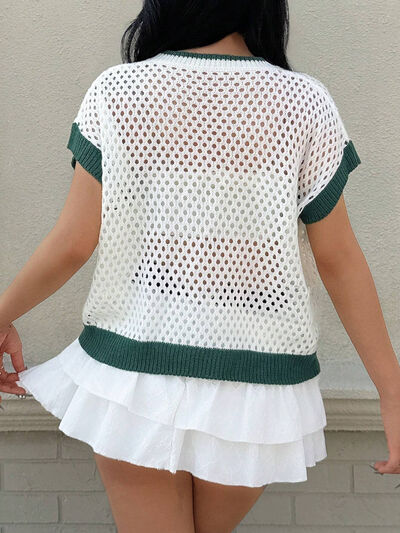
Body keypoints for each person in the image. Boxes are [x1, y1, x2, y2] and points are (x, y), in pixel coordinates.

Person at [1, 1, 399, 532]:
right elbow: (339, 258)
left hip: (134, 375)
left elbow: (73, 243)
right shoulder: (304, 102)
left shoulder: (118, 91)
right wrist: (391, 391)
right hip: (255, 388)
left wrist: (1, 315)